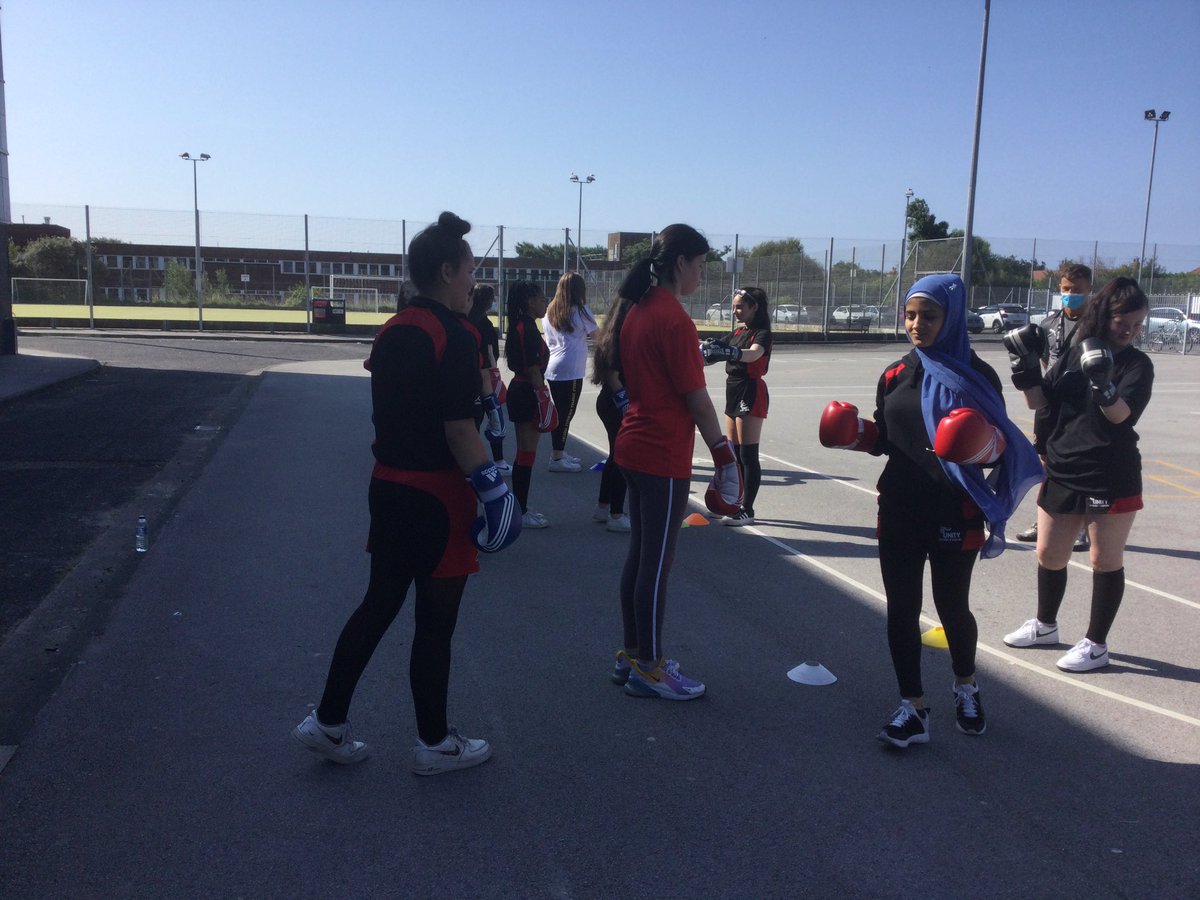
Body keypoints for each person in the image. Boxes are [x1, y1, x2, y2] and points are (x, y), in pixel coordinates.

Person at [292, 212, 521, 775]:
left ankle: (327, 721)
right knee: (435, 624)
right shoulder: (456, 334)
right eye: (470, 271)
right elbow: (459, 428)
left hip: (388, 487)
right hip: (437, 497)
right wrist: (496, 491)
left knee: (378, 605)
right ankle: (435, 742)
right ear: (446, 272)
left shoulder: (395, 328)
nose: (474, 282)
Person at [820, 273, 1041, 748]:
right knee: (901, 608)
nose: (917, 324)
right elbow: (887, 438)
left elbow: (999, 449)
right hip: (899, 505)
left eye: (930, 316)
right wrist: (856, 434)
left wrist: (979, 445)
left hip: (954, 508)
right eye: (911, 314)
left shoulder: (977, 376)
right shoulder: (895, 374)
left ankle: (966, 686)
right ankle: (913, 707)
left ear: (953, 318)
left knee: (952, 607)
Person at [608, 224, 743, 700]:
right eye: (702, 265)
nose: (703, 275)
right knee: (656, 565)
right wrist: (725, 458)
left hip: (634, 445)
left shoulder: (637, 311)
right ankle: (650, 665)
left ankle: (632, 655)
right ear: (680, 262)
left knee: (641, 557)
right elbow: (698, 401)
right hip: (661, 454)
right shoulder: (673, 319)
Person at [1001, 277, 1153, 672]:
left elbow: (1122, 416)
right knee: (1049, 554)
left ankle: (1096, 644)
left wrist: (1104, 383)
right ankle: (1045, 625)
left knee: (1104, 560)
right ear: (1106, 314)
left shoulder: (1138, 364)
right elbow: (1041, 403)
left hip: (1110, 472)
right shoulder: (1073, 352)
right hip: (1064, 466)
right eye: (1125, 321)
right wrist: (1026, 368)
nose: (1130, 330)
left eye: (1138, 325)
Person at [1016, 263, 1092, 550]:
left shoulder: (1095, 326)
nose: (1071, 295)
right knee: (1046, 462)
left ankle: (1081, 526)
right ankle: (1045, 519)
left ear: (1089, 291)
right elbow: (1045, 363)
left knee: (1079, 464)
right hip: (1051, 404)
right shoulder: (1047, 324)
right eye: (1066, 289)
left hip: (1081, 405)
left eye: (1077, 290)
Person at [701, 286, 773, 526]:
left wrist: (730, 351)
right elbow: (712, 349)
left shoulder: (761, 333)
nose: (735, 311)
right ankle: (733, 502)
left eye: (740, 306)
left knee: (747, 454)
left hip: (751, 390)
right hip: (733, 389)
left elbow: (753, 355)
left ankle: (747, 509)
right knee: (733, 452)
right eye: (733, 306)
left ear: (755, 307)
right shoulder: (738, 332)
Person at [504, 280, 557, 528]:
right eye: (541, 298)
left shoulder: (520, 325)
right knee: (526, 453)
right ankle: (520, 511)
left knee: (524, 453)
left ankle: (519, 507)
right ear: (529, 301)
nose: (545, 302)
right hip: (527, 390)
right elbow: (533, 369)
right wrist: (543, 399)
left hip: (522, 389)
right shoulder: (526, 327)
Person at [543, 272, 598, 473]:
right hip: (571, 369)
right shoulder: (581, 311)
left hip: (553, 366)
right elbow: (597, 335)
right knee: (566, 414)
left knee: (560, 412)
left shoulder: (550, 310)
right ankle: (557, 457)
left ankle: (559, 451)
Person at [590, 296, 631, 533]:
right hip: (615, 401)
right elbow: (614, 376)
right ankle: (616, 513)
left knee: (615, 456)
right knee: (622, 458)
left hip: (608, 401)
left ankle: (603, 506)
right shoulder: (618, 338)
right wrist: (625, 404)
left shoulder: (610, 335)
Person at [468, 284, 510, 473]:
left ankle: (470, 458)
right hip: (485, 377)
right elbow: (490, 353)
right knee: (495, 417)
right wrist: (495, 374)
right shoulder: (484, 324)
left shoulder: (468, 319)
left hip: (471, 377)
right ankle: (498, 461)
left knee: (474, 420)